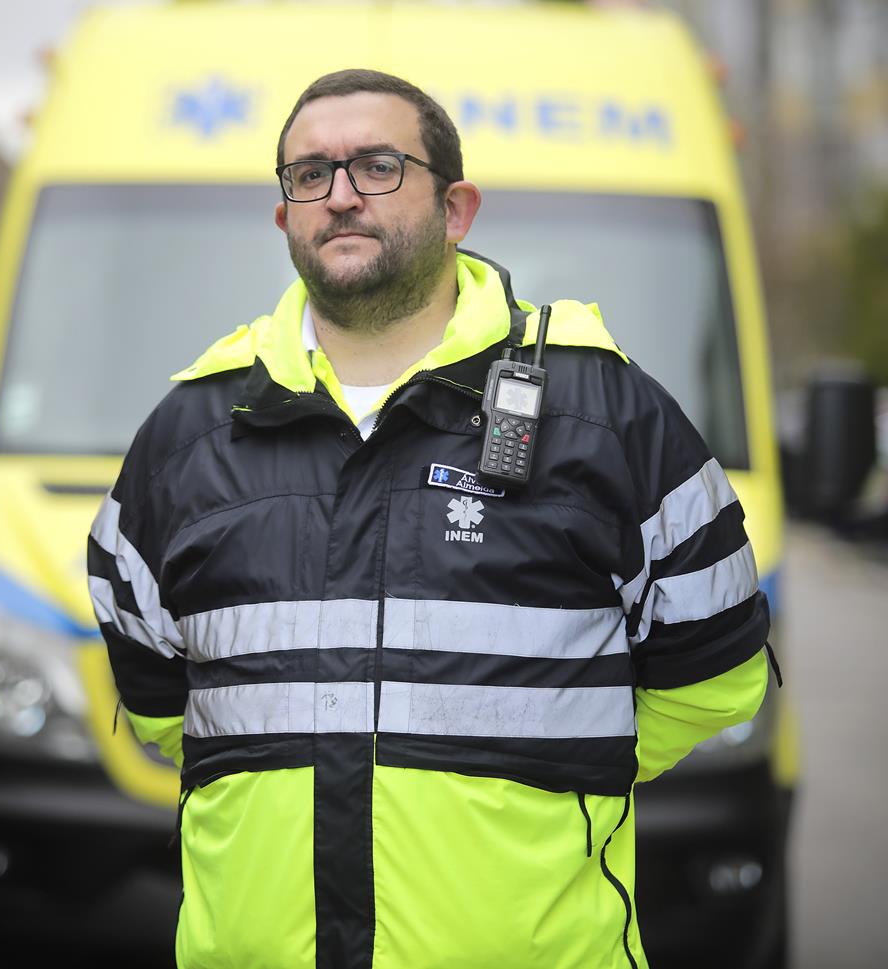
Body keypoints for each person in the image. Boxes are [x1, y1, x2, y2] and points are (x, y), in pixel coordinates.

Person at [88, 69, 772, 969]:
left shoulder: (604, 413)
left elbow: (714, 679)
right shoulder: (187, 436)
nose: (340, 195)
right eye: (310, 175)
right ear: (285, 217)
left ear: (457, 209)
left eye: (378, 166)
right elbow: (159, 702)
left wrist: (545, 770)